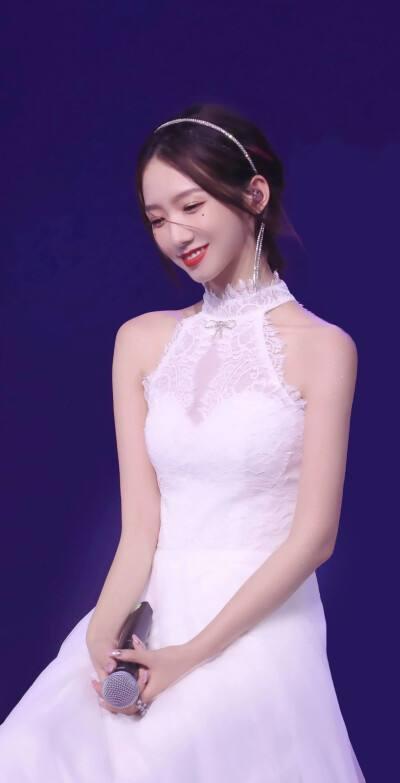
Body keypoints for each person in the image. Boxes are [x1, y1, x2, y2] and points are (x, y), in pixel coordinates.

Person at [0, 103, 366, 782]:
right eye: (156, 219)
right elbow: (141, 526)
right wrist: (100, 636)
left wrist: (187, 657)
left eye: (191, 206)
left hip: (260, 627)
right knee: (31, 750)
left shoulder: (324, 349)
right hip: (153, 611)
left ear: (254, 195)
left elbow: (314, 539)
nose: (175, 234)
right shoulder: (140, 341)